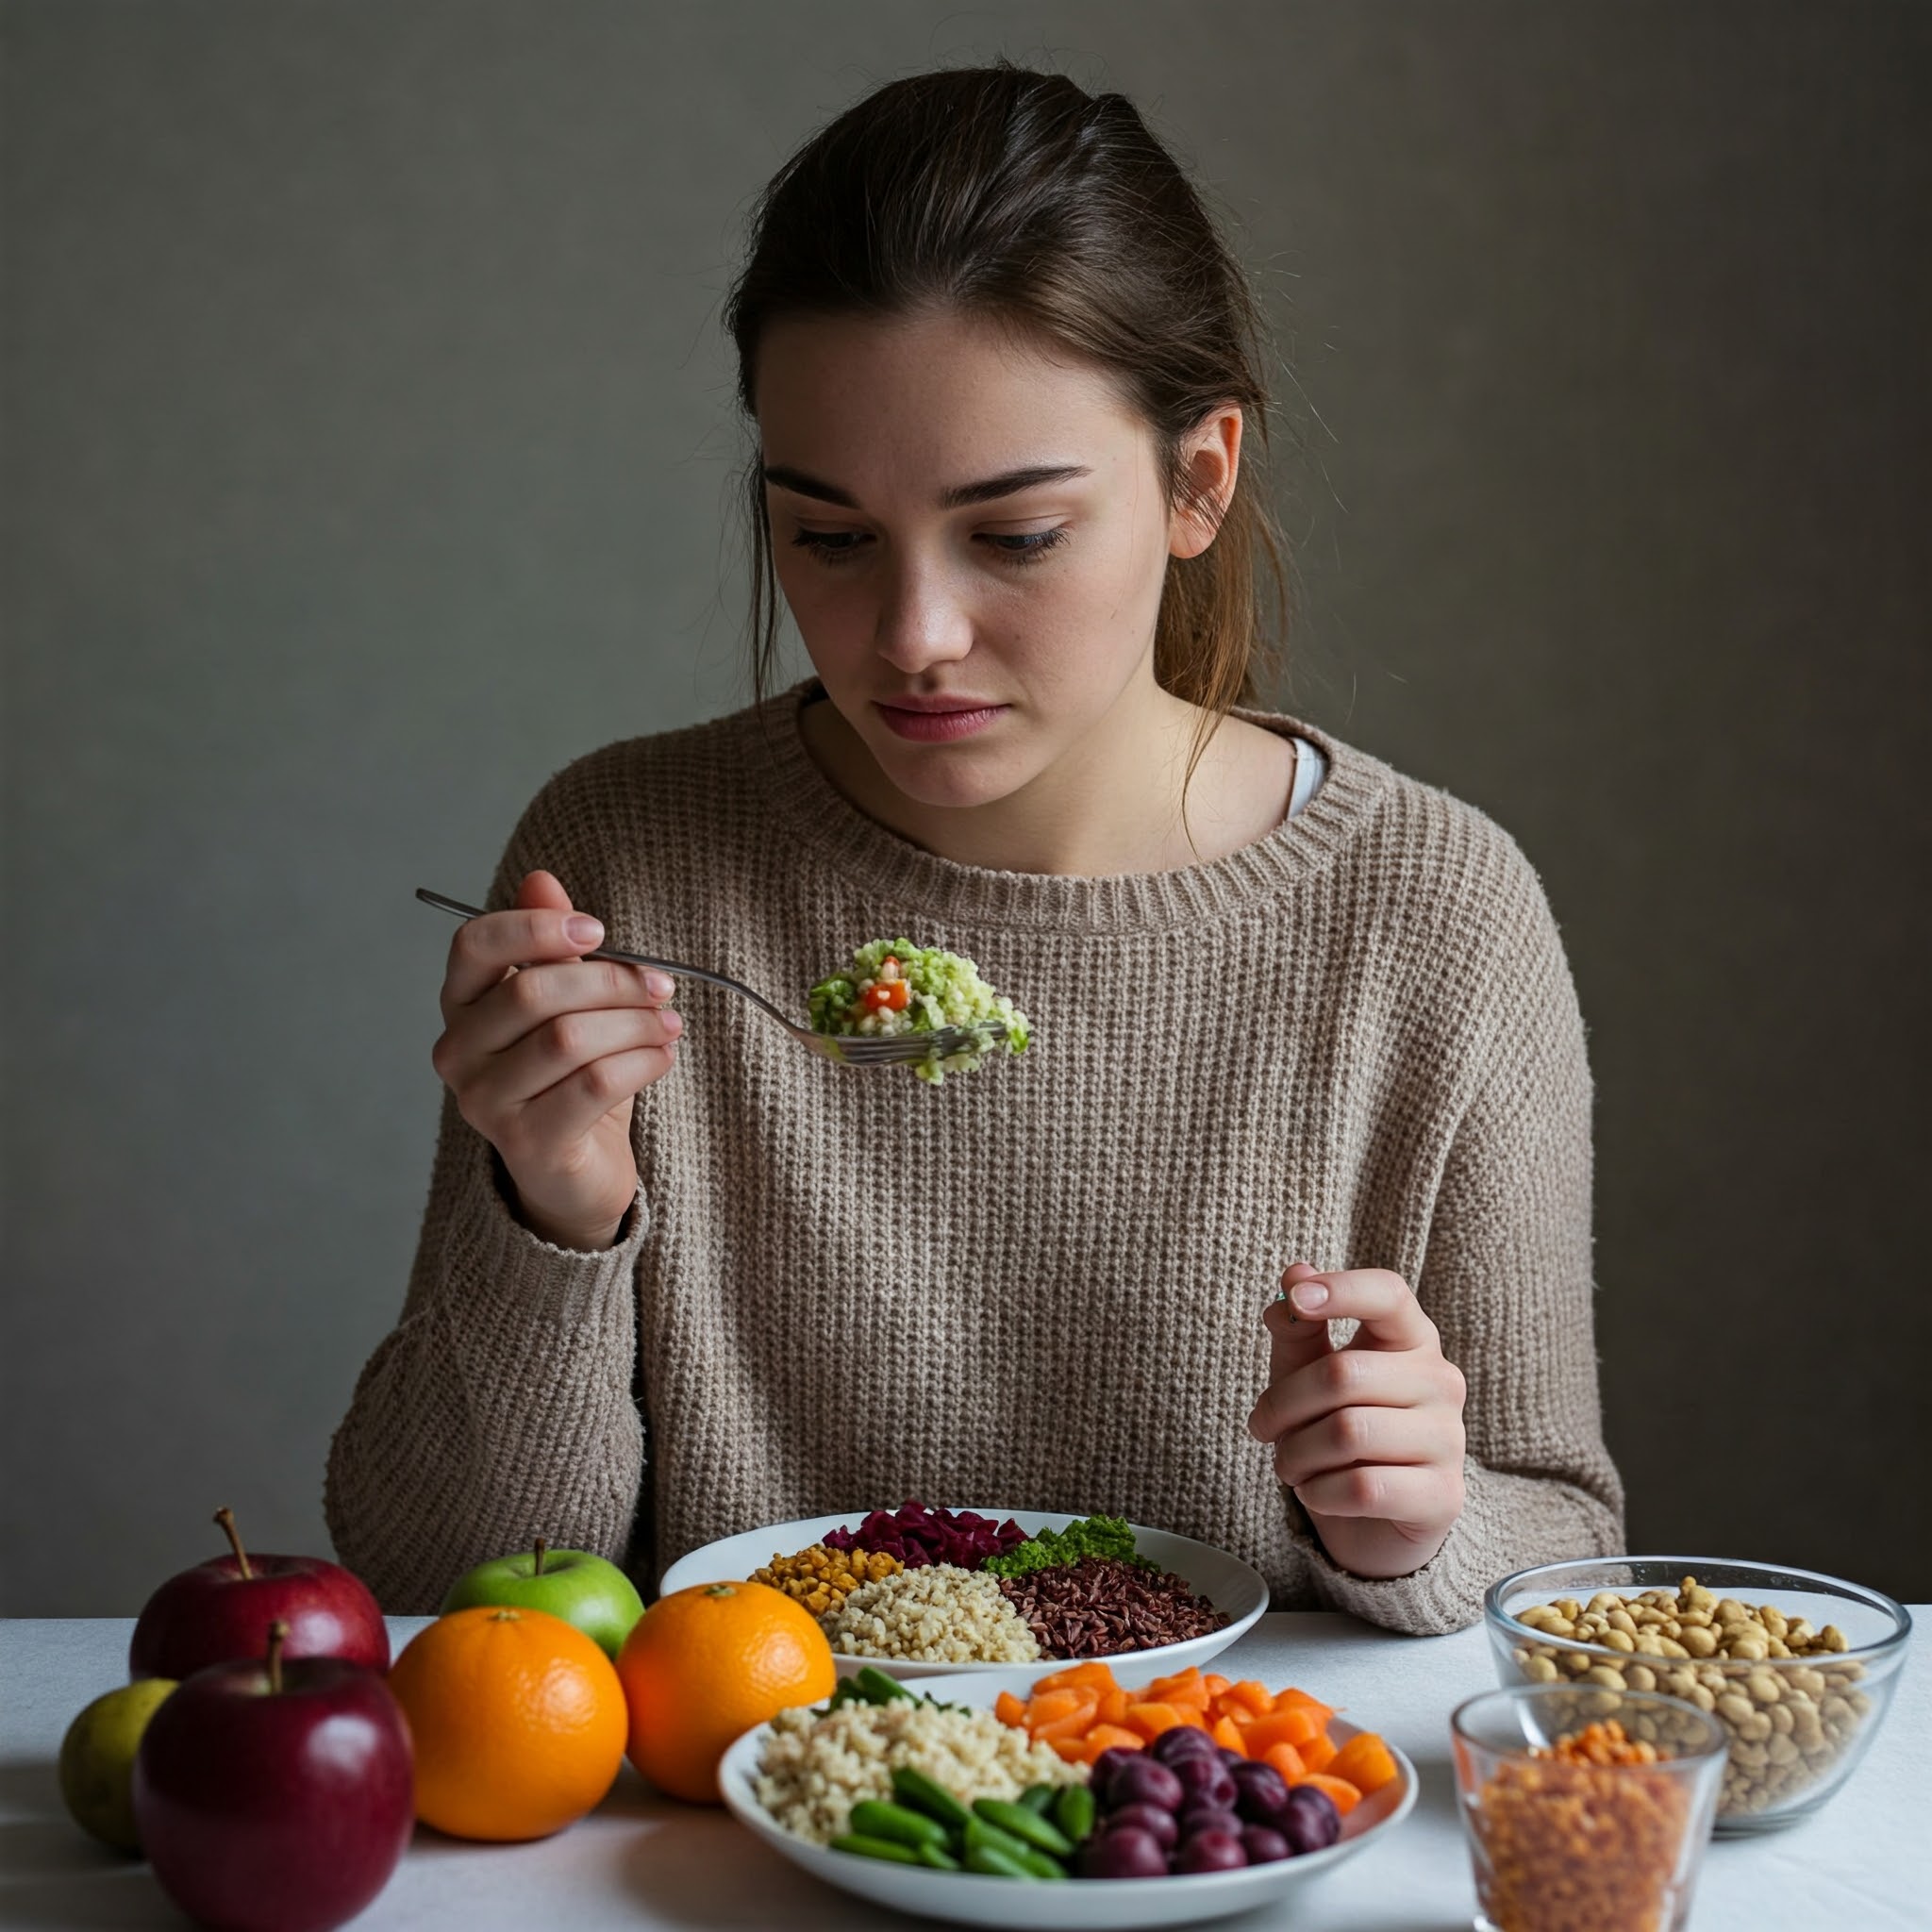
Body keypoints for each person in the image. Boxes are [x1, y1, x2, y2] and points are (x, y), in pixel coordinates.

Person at [325, 63, 1623, 1634]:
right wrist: (558, 1210)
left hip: (1217, 1834)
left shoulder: (1434, 912)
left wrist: (1415, 1518)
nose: (914, 637)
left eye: (1013, 535)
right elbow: (430, 1582)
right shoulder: (628, 860)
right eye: (829, 537)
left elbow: (1565, 1552)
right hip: (732, 1841)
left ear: (1196, 482)